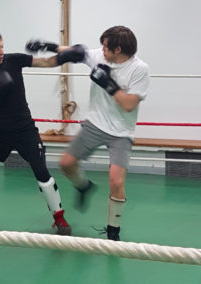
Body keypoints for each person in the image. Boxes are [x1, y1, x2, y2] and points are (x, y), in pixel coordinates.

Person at [0, 30, 86, 235]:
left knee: (42, 173)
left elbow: (47, 63)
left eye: (2, 47)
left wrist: (65, 55)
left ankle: (59, 218)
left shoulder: (13, 61)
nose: (1, 52)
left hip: (25, 129)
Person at [27, 26, 150, 241]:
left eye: (105, 47)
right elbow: (77, 51)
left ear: (117, 49)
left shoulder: (139, 69)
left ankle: (113, 231)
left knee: (116, 181)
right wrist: (48, 46)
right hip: (95, 124)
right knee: (65, 164)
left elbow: (129, 104)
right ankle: (84, 186)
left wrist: (109, 84)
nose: (101, 50)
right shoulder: (101, 56)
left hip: (121, 131)